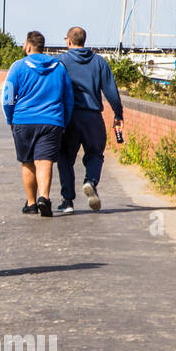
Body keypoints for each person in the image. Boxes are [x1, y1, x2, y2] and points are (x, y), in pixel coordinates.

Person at [2, 31, 74, 218]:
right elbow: (68, 98)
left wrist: (10, 118)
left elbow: (8, 96)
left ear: (27, 45)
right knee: (45, 161)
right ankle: (44, 197)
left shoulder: (18, 67)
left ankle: (32, 203)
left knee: (27, 162)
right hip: (52, 121)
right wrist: (63, 121)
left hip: (23, 120)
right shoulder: (58, 67)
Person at [55, 27, 124, 213]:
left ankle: (67, 201)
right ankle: (90, 181)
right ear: (84, 41)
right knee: (95, 154)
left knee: (65, 158)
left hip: (69, 117)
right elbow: (111, 93)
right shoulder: (99, 62)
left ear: (69, 41)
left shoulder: (60, 62)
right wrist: (118, 115)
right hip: (93, 117)